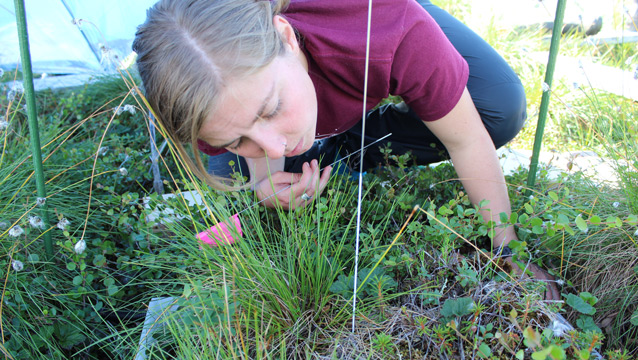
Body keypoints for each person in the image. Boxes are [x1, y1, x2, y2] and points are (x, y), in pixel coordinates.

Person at [133, 0, 559, 300]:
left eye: (273, 109)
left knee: (497, 109)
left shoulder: (389, 25)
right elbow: (252, 142)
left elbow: (466, 139)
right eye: (236, 138)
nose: (275, 144)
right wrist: (264, 182)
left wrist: (506, 248)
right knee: (241, 175)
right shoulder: (204, 92)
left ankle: (353, 140)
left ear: (286, 36)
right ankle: (332, 145)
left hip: (370, 23)